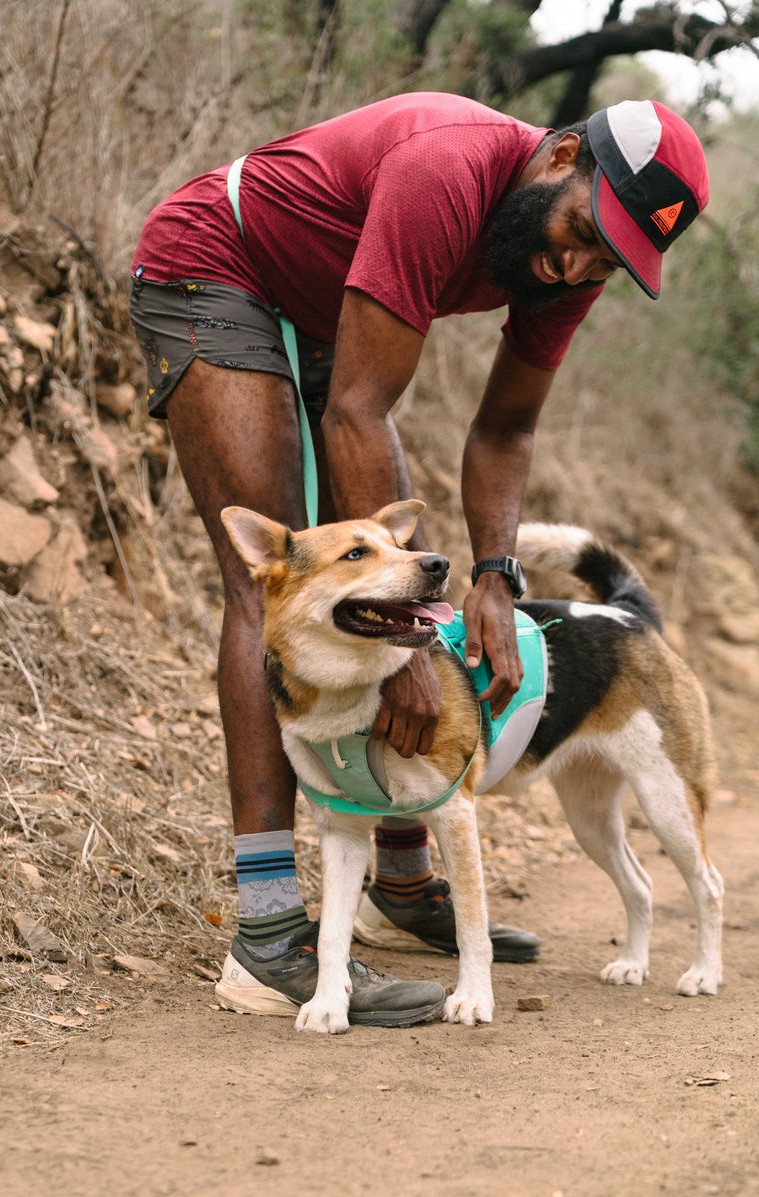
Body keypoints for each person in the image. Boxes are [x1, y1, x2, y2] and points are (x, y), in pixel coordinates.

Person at [130, 93, 709, 1026]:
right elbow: (360, 409)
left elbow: (507, 426)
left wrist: (494, 575)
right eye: (582, 232)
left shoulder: (569, 265)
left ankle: (398, 886)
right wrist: (411, 637)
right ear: (562, 156)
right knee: (278, 580)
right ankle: (269, 936)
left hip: (326, 308)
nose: (577, 263)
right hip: (219, 263)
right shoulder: (447, 166)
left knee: (393, 595)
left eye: (607, 260)